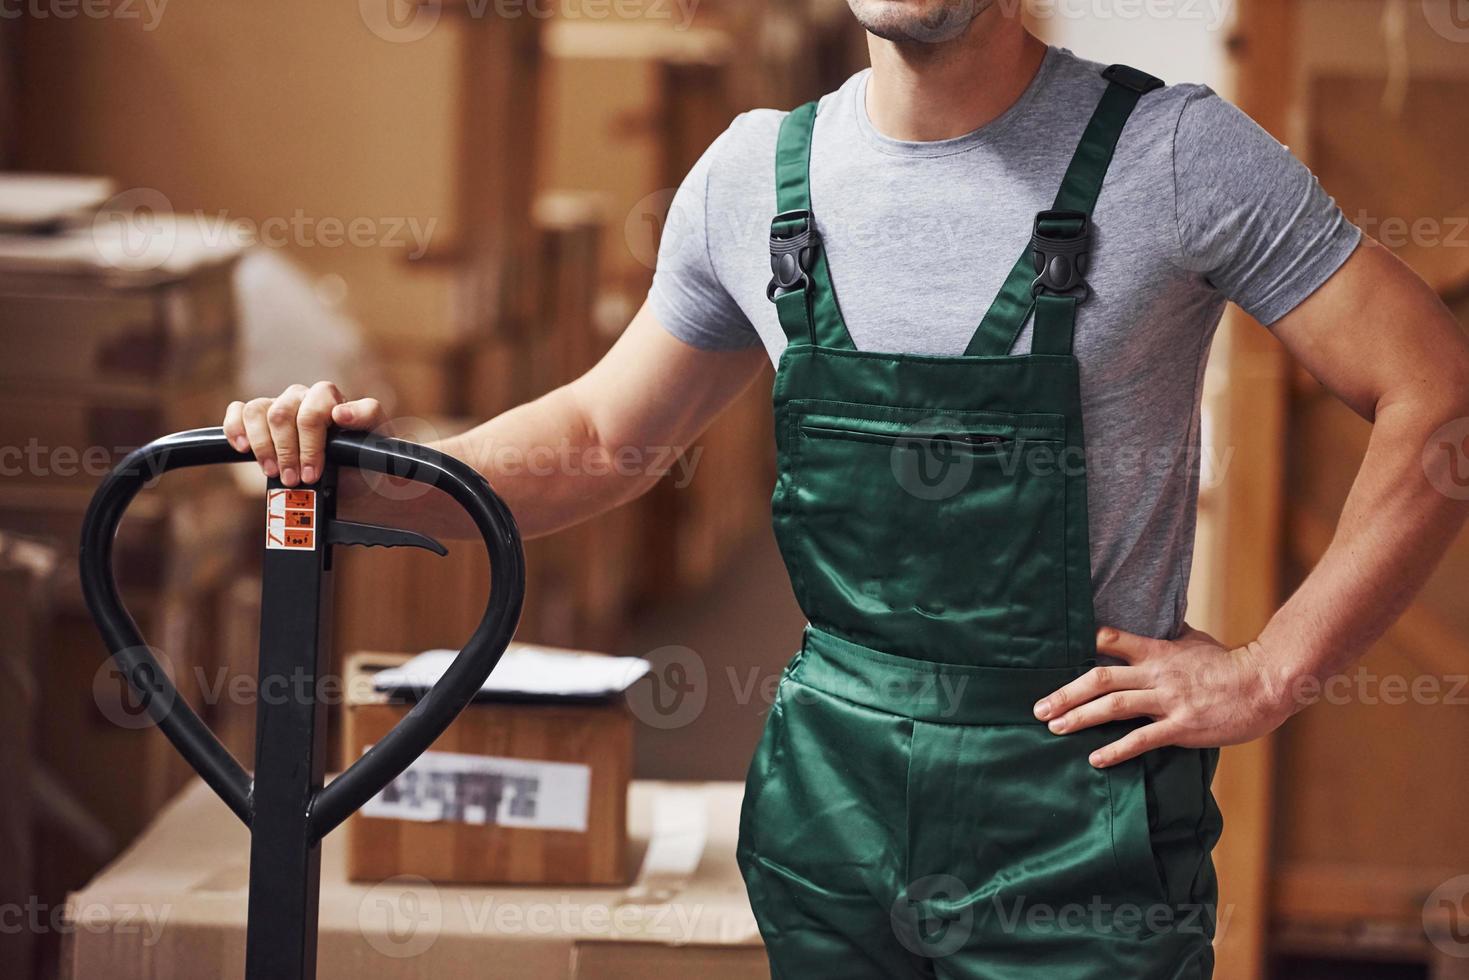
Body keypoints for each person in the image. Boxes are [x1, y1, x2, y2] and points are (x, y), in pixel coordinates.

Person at [223, 3, 1469, 976]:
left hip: (1077, 817)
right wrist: (366, 482)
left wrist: (1267, 671)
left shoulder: (1175, 153)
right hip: (829, 805)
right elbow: (608, 433)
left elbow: (1433, 395)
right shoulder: (755, 176)